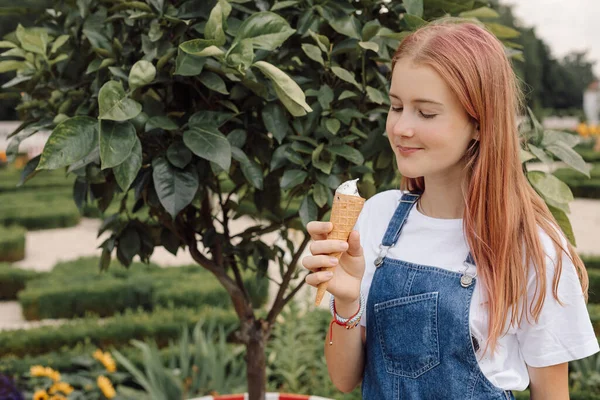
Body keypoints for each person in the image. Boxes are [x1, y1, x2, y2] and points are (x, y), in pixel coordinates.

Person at [302, 21, 599, 399]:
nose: (401, 128)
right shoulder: (376, 216)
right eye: (396, 107)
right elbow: (345, 380)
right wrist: (346, 302)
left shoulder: (532, 247)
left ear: (479, 123)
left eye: (426, 113)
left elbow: (552, 394)